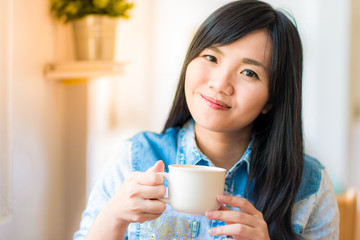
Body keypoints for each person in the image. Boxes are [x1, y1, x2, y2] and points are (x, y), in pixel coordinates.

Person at [74, 0, 339, 239]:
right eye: (211, 57)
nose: (220, 84)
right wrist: (114, 217)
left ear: (272, 99)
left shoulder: (310, 186)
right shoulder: (135, 158)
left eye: (249, 72)